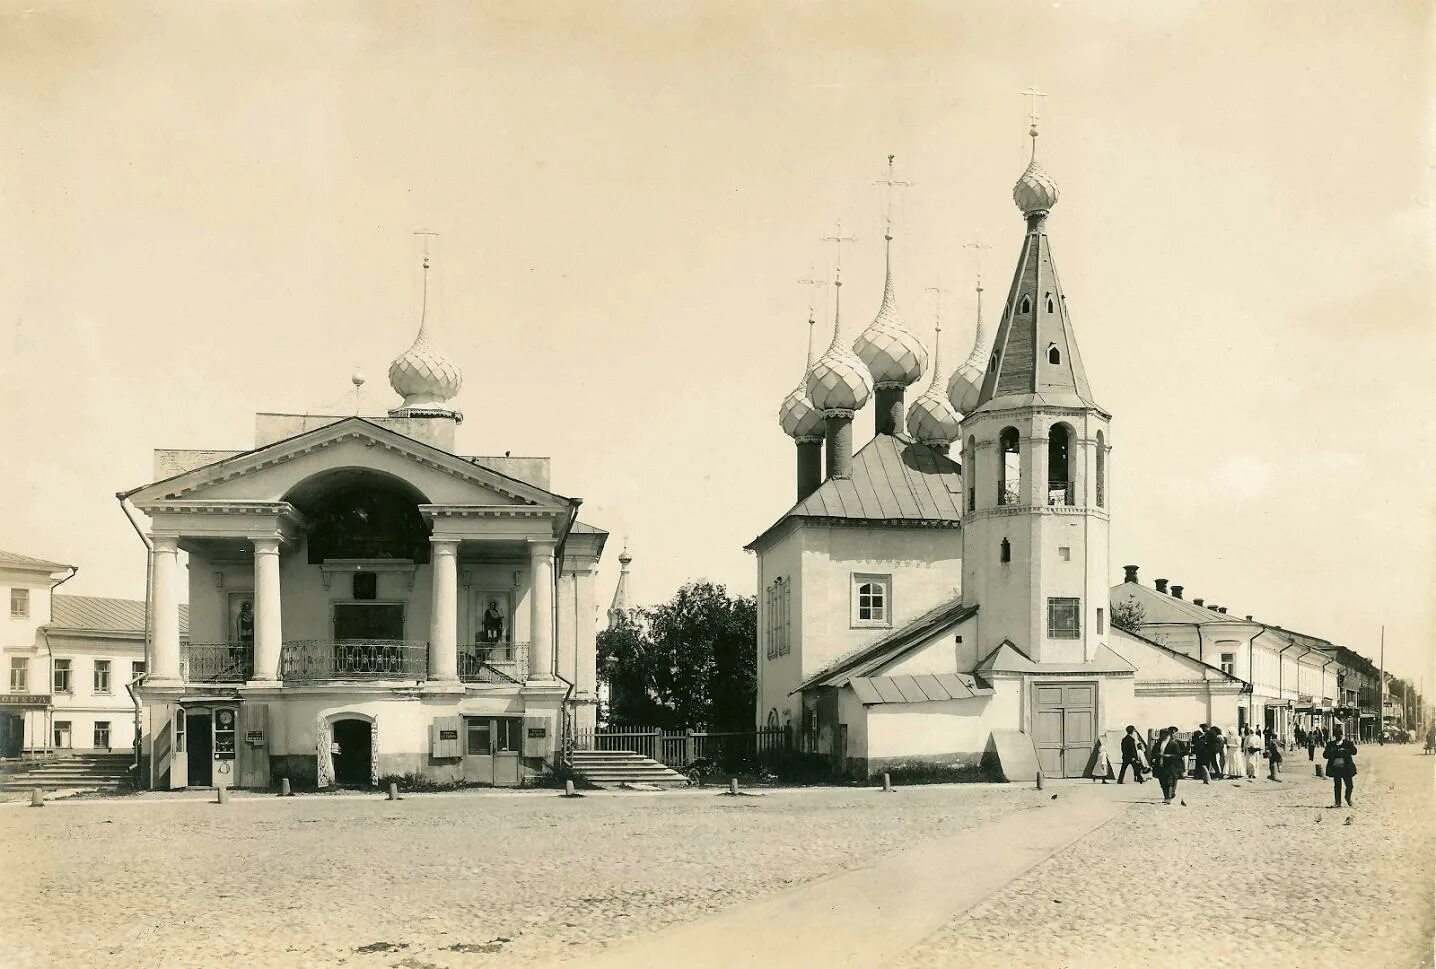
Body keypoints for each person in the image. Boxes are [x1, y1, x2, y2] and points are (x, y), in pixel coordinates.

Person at [1322, 726, 1357, 808]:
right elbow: (1325, 755)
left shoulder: (1347, 743)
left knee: (1350, 785)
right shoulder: (1331, 744)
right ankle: (1338, 802)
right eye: (1337, 735)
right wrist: (1333, 752)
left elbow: (1354, 752)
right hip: (1335, 768)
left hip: (1346, 768)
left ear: (1343, 735)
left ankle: (1347, 798)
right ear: (1335, 736)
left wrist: (1344, 751)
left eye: (1340, 734)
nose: (1339, 736)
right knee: (1337, 786)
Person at [1152, 726, 1186, 804]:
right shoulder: (1158, 743)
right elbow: (1153, 752)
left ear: (1167, 735)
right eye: (1160, 735)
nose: (1161, 736)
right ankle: (1167, 796)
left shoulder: (1173, 744)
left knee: (1169, 781)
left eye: (1162, 735)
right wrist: (1155, 757)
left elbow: (1177, 755)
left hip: (1170, 766)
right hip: (1160, 765)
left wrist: (1168, 756)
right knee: (1162, 782)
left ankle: (1168, 797)